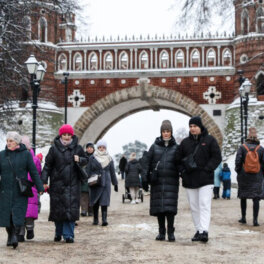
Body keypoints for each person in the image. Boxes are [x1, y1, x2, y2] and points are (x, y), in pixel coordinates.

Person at [175, 116, 222, 243]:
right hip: (190, 180)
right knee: (194, 206)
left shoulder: (210, 140)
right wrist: (182, 172)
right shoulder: (185, 143)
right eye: (190, 126)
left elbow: (217, 157)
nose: (192, 129)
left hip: (205, 179)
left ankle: (204, 231)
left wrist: (208, 168)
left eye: (195, 126)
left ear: (200, 127)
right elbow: (177, 160)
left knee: (204, 204)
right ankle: (198, 230)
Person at [41, 124, 87, 243]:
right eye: (64, 134)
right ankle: (58, 232)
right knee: (58, 211)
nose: (66, 137)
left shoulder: (78, 148)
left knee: (70, 211)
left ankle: (68, 235)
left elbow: (86, 159)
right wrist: (44, 181)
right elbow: (47, 166)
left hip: (73, 185)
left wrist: (80, 159)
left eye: (69, 135)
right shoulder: (54, 149)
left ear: (72, 135)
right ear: (61, 135)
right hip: (57, 184)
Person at [0, 131, 44, 249]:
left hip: (20, 189)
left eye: (11, 141)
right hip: (5, 189)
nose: (8, 143)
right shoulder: (2, 155)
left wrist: (40, 187)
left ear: (17, 142)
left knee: (18, 213)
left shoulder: (26, 154)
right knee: (7, 214)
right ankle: (11, 234)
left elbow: (34, 172)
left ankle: (14, 235)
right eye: (7, 141)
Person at [142, 120, 179, 242]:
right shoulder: (154, 147)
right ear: (161, 132)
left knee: (170, 209)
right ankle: (161, 232)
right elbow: (146, 163)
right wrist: (145, 179)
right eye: (164, 131)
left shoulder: (176, 148)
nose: (166, 133)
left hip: (171, 181)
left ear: (171, 132)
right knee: (160, 209)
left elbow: (180, 164)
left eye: (168, 131)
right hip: (157, 181)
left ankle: (171, 232)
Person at [235, 127, 264, 226]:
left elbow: (238, 161)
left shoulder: (242, 147)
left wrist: (238, 171)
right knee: (256, 198)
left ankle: (243, 218)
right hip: (257, 176)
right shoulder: (260, 149)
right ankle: (255, 220)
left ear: (247, 137)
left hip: (244, 176)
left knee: (243, 196)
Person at [86, 139, 118, 226]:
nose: (101, 148)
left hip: (106, 182)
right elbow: (88, 170)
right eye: (100, 147)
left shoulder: (109, 158)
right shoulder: (92, 158)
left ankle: (104, 219)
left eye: (103, 147)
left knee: (104, 201)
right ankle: (95, 219)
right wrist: (88, 179)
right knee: (95, 201)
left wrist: (115, 183)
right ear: (97, 148)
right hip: (95, 182)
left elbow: (112, 172)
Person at [17, 135, 42, 242]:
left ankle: (29, 229)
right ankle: (21, 232)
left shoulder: (34, 160)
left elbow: (37, 173)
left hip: (29, 188)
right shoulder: (17, 158)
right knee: (21, 212)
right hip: (21, 187)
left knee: (28, 212)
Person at [80, 142, 94, 217]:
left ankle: (91, 210)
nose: (89, 149)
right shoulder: (83, 156)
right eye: (88, 148)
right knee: (83, 195)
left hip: (92, 178)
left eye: (91, 148)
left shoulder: (95, 157)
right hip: (84, 178)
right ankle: (84, 210)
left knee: (91, 195)